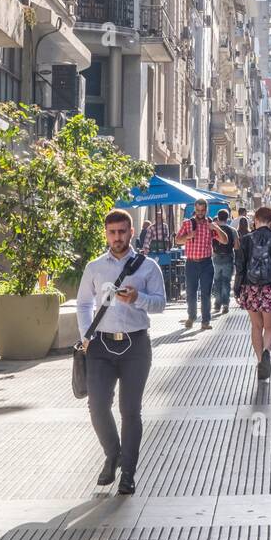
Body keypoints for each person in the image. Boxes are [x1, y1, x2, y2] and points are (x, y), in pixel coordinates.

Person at [76, 208, 167, 494]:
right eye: (112, 232)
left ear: (131, 232)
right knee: (97, 406)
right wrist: (86, 336)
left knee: (130, 411)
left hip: (135, 345)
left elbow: (161, 304)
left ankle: (128, 473)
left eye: (122, 232)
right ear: (106, 234)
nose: (117, 238)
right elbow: (83, 304)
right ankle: (112, 453)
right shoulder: (94, 267)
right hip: (100, 345)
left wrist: (138, 298)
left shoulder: (148, 266)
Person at [234, 205, 271, 379]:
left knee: (256, 326)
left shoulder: (245, 239)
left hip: (250, 287)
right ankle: (267, 351)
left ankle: (260, 361)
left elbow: (240, 266)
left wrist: (237, 288)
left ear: (256, 220)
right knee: (270, 327)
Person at [176, 198, 229, 331]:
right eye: (198, 210)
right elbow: (177, 240)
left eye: (203, 210)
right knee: (191, 292)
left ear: (206, 210)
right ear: (195, 209)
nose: (200, 213)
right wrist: (188, 236)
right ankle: (192, 317)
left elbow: (225, 240)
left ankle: (205, 321)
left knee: (206, 293)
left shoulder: (210, 224)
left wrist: (216, 227)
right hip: (191, 263)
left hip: (206, 263)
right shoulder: (187, 224)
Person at [211, 208, 237, 314]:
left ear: (218, 217)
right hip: (228, 257)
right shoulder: (232, 230)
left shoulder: (213, 230)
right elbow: (237, 246)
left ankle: (217, 304)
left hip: (216, 257)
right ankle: (225, 304)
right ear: (228, 217)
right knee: (226, 281)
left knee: (217, 281)